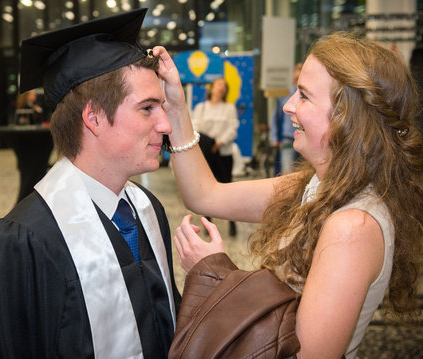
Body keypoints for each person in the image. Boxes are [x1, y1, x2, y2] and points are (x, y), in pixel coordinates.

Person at [154, 32, 423, 359]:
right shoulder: (315, 187)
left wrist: (213, 272)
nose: (288, 105)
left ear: (346, 118)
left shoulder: (353, 227)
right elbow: (205, 195)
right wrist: (177, 107)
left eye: (305, 96)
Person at [0, 9, 180, 359]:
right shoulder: (17, 246)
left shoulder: (147, 211)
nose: (165, 124)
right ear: (94, 118)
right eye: (148, 107)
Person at [191, 77, 239, 236]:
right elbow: (195, 127)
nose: (221, 88)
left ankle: (232, 223)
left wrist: (219, 143)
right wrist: (208, 142)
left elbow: (233, 128)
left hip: (223, 153)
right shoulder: (201, 107)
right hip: (206, 154)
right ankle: (207, 223)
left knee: (228, 188)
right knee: (206, 188)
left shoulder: (229, 108)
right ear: (211, 88)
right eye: (219, 84)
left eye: (224, 86)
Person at [270, 62, 302, 175]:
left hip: (305, 138)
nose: (300, 72)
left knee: (302, 173)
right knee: (287, 172)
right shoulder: (285, 93)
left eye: (302, 69)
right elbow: (276, 116)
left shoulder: (309, 94)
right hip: (287, 138)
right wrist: (274, 138)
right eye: (298, 69)